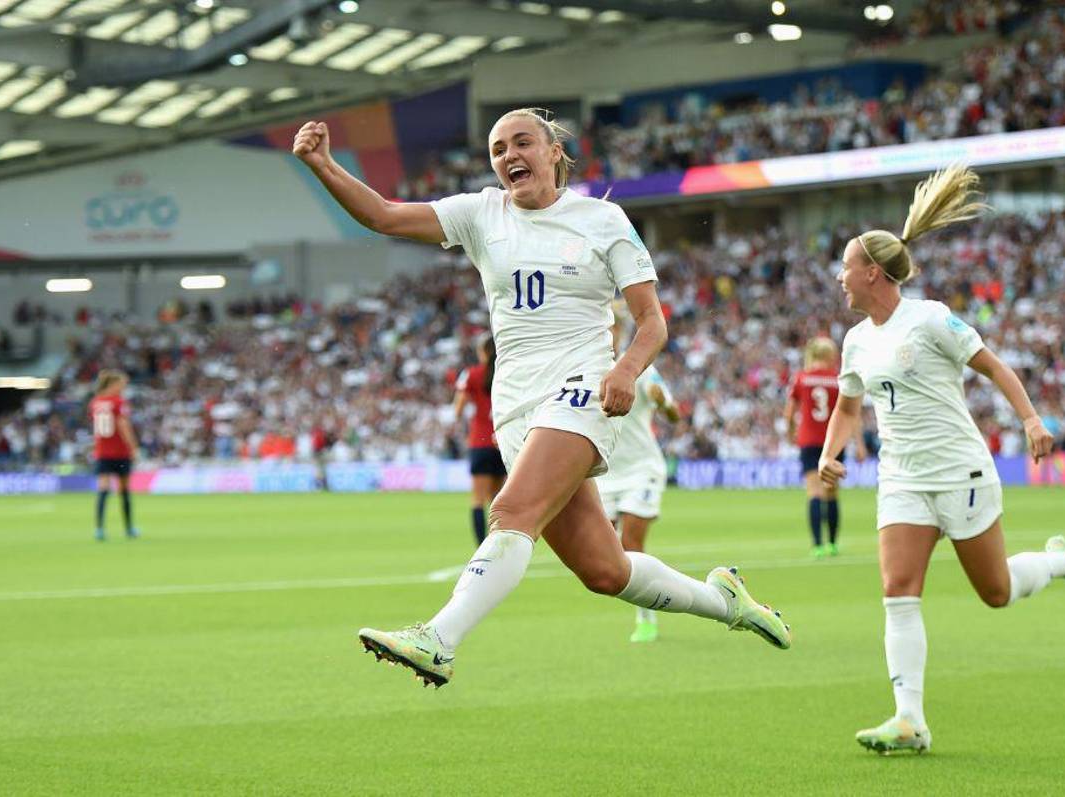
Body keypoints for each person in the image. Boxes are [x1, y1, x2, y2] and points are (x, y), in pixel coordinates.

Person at [293, 107, 790, 688]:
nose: (509, 156)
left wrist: (627, 369)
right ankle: (725, 602)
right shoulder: (482, 214)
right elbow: (383, 215)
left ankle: (439, 639)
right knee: (605, 571)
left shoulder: (602, 220)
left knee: (510, 512)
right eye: (498, 149)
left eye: (522, 143)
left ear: (554, 151)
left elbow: (651, 320)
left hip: (579, 386)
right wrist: (323, 165)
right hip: (515, 407)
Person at [818, 164, 1065, 754]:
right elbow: (849, 409)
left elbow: (995, 366)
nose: (840, 277)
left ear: (872, 272)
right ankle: (909, 720)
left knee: (996, 591)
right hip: (902, 477)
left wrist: (1030, 420)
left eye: (846, 266)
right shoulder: (855, 341)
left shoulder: (929, 319)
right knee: (898, 590)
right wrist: (830, 454)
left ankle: (1060, 562)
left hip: (960, 472)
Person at [595, 308, 681, 643]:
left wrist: (664, 404)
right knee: (605, 554)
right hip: (605, 475)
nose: (609, 332)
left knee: (632, 542)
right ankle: (652, 598)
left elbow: (673, 415)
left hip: (642, 469)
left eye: (613, 327)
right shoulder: (584, 368)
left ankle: (646, 617)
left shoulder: (642, 370)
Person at [783, 336, 866, 558]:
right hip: (834, 441)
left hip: (809, 440)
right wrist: (859, 444)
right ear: (830, 355)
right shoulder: (838, 379)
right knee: (832, 493)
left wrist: (791, 433)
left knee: (814, 492)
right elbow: (852, 414)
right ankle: (832, 544)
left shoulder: (801, 378)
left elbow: (789, 412)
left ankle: (817, 545)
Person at [453, 334, 507, 545]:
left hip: (480, 442)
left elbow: (458, 409)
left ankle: (481, 548)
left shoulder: (472, 374)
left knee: (477, 499)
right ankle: (498, 545)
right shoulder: (506, 372)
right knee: (498, 500)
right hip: (502, 440)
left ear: (483, 352)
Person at [88, 369, 140, 541]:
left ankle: (99, 529)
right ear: (113, 384)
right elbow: (123, 425)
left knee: (103, 489)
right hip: (120, 452)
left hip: (102, 452)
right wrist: (133, 448)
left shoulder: (95, 402)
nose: (123, 388)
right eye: (122, 384)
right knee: (124, 490)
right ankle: (129, 528)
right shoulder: (118, 402)